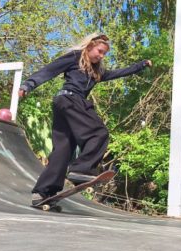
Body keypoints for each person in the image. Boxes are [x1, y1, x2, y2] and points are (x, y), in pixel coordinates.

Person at [16, 33, 152, 206]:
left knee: (63, 150)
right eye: (99, 51)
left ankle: (43, 192)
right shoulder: (75, 57)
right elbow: (50, 69)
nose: (101, 56)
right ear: (89, 46)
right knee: (98, 133)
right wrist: (29, 84)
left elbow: (118, 73)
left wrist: (140, 65)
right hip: (71, 100)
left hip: (64, 105)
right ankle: (82, 169)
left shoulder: (97, 71)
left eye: (104, 54)